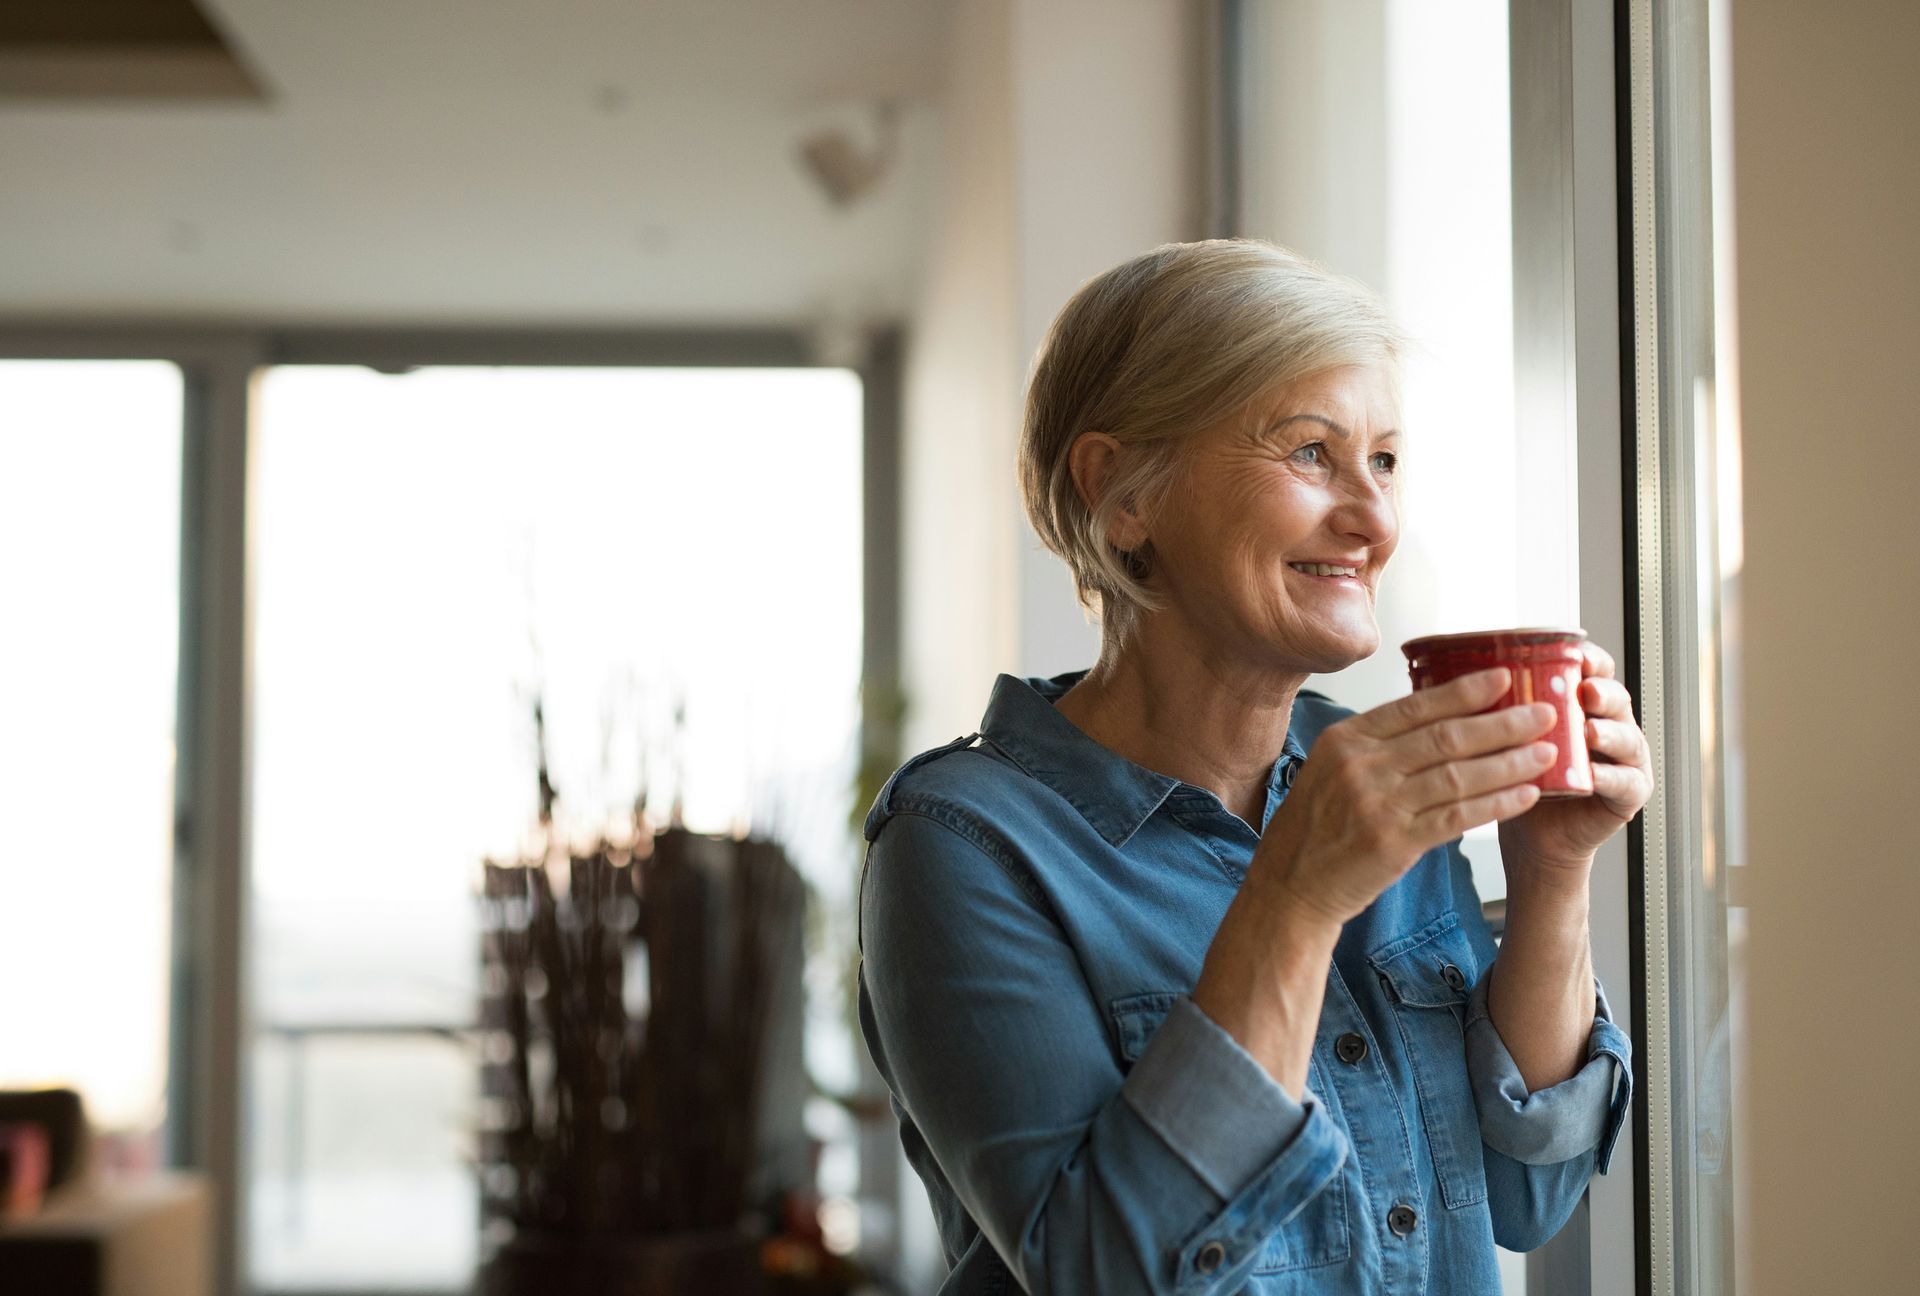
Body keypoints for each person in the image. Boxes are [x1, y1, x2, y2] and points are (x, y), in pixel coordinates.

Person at [857, 240, 1651, 1295]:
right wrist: (1296, 893)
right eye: (1311, 453)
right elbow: (1104, 1275)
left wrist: (1552, 868)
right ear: (1121, 494)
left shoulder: (1369, 776)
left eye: (1385, 462)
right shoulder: (963, 847)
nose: (1373, 522)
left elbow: (1527, 1193)